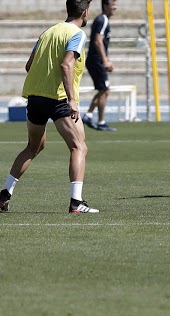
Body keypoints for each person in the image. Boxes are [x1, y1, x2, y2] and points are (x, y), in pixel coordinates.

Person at [0, 0, 98, 214]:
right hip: (60, 99)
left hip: (36, 98)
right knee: (79, 147)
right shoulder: (78, 34)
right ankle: (76, 202)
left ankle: (4, 194)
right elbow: (66, 64)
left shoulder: (47, 33)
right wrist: (71, 100)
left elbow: (29, 65)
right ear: (85, 12)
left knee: (33, 147)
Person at [83, 0, 117, 131]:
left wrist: (106, 59)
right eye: (112, 5)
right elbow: (98, 41)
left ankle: (89, 115)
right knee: (104, 90)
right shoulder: (102, 20)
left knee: (104, 90)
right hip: (96, 60)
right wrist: (105, 60)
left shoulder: (103, 20)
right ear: (105, 6)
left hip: (96, 60)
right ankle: (99, 121)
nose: (115, 7)